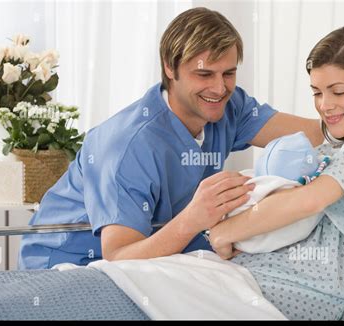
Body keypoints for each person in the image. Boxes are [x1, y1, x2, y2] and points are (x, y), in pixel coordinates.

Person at [18, 7, 324, 269]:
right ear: (170, 67)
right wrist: (195, 219)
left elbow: (316, 133)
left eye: (228, 73)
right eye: (204, 75)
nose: (219, 88)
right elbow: (120, 257)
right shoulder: (127, 146)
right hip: (68, 261)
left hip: (155, 248)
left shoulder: (227, 106)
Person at [207, 25, 344, 320]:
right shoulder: (340, 148)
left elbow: (310, 201)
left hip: (308, 289)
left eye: (338, 91)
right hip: (266, 274)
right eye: (317, 92)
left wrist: (223, 233)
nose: (325, 106)